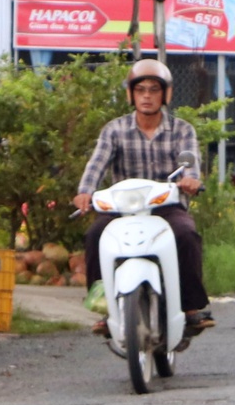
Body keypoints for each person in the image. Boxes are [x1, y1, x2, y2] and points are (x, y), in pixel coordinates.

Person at [76, 58, 211, 337]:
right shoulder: (114, 130)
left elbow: (191, 165)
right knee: (94, 235)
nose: (147, 96)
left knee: (186, 234)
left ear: (165, 95)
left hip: (166, 207)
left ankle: (190, 309)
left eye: (153, 90)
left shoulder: (182, 130)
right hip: (121, 210)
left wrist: (190, 181)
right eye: (140, 90)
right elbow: (96, 165)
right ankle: (104, 307)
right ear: (131, 94)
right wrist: (84, 192)